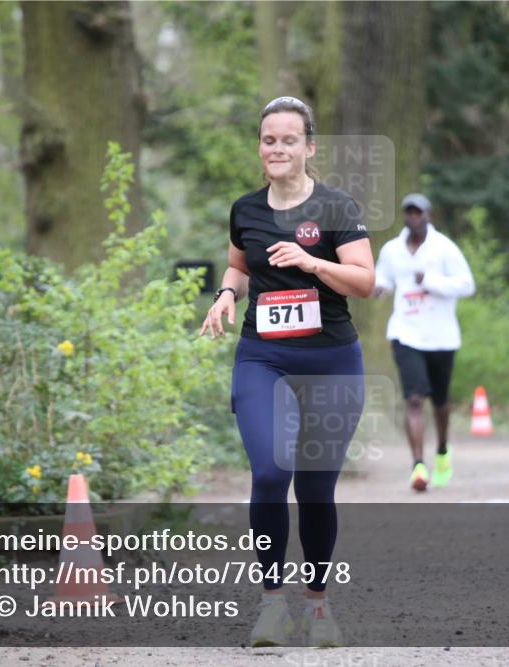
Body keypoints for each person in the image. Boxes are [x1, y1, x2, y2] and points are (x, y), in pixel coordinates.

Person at [200, 96, 374, 647]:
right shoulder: (245, 209)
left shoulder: (338, 207)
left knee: (317, 489)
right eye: (269, 139)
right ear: (261, 146)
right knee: (272, 472)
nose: (277, 148)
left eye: (289, 140)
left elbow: (365, 282)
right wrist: (227, 293)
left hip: (331, 362)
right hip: (263, 357)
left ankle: (319, 608)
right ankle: (273, 606)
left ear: (309, 147)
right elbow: (237, 263)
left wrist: (312, 262)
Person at [373, 193, 476, 492]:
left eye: (418, 213)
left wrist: (429, 281)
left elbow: (467, 285)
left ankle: (442, 451)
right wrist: (378, 287)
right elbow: (384, 278)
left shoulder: (444, 248)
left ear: (428, 215)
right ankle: (418, 465)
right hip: (406, 333)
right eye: (409, 213)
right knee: (414, 398)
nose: (413, 217)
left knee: (440, 402)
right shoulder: (392, 250)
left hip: (442, 336)